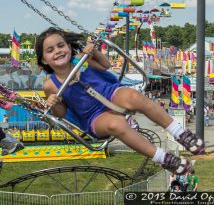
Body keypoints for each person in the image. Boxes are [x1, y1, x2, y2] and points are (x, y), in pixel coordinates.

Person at [36, 27, 205, 175]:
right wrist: (54, 102)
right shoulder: (50, 84)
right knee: (115, 125)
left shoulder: (81, 59)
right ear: (44, 59)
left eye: (61, 45)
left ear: (68, 47)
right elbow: (62, 113)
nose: (57, 51)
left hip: (110, 94)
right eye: (50, 50)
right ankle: (164, 158)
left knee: (134, 96)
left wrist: (93, 51)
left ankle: (180, 133)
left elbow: (105, 65)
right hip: (93, 116)